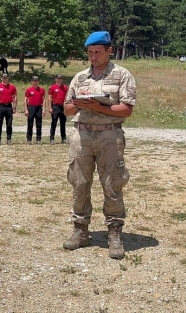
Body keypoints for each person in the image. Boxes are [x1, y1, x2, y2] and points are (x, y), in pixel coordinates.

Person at [61, 31, 136, 260]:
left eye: (97, 52)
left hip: (109, 136)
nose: (93, 57)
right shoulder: (80, 78)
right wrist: (80, 103)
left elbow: (127, 109)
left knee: (112, 185)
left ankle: (114, 232)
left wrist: (98, 106)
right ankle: (80, 230)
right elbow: (66, 109)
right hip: (81, 136)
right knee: (79, 184)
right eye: (90, 53)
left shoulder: (121, 75)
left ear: (109, 50)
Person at [0, 73, 17, 145]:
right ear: (1, 78)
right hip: (0, 106)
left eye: (6, 78)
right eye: (3, 78)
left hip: (9, 106)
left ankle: (9, 139)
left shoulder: (12, 87)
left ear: (8, 78)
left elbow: (15, 97)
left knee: (9, 124)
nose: (5, 79)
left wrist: (14, 107)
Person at [24, 76, 46, 144]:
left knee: (39, 124)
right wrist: (26, 109)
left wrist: (44, 109)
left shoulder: (42, 89)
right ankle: (29, 139)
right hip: (31, 107)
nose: (35, 82)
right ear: (32, 82)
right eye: (34, 80)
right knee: (30, 123)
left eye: (37, 80)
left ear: (38, 81)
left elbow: (44, 100)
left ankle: (38, 139)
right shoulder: (29, 90)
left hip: (39, 107)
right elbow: (25, 100)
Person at [48, 74, 69, 144]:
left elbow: (67, 97)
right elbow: (50, 98)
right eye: (58, 78)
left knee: (63, 123)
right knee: (54, 123)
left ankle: (63, 138)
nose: (59, 80)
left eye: (61, 78)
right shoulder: (52, 87)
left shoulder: (65, 87)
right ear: (55, 79)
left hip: (63, 107)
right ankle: (52, 138)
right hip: (55, 106)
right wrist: (50, 107)